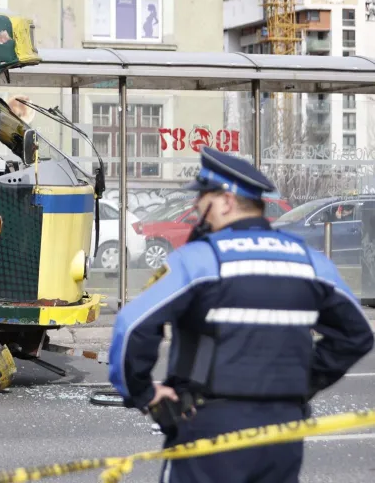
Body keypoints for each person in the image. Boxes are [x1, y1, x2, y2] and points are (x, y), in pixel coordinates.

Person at [107, 146, 374, 483]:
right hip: (283, 432)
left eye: (203, 199)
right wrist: (302, 382)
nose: (196, 208)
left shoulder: (200, 260)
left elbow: (131, 326)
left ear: (226, 202)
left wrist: (143, 394)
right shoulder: (310, 262)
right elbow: (356, 335)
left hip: (208, 429)